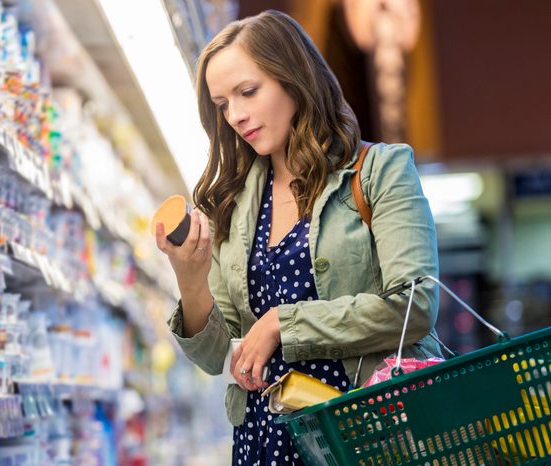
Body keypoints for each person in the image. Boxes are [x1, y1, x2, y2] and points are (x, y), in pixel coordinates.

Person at [154, 9, 442, 465]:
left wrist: (280, 325)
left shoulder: (379, 173)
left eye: (248, 92)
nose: (236, 115)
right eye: (223, 104)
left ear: (294, 78)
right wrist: (189, 278)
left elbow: (415, 303)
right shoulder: (235, 203)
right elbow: (216, 357)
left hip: (365, 430)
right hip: (266, 436)